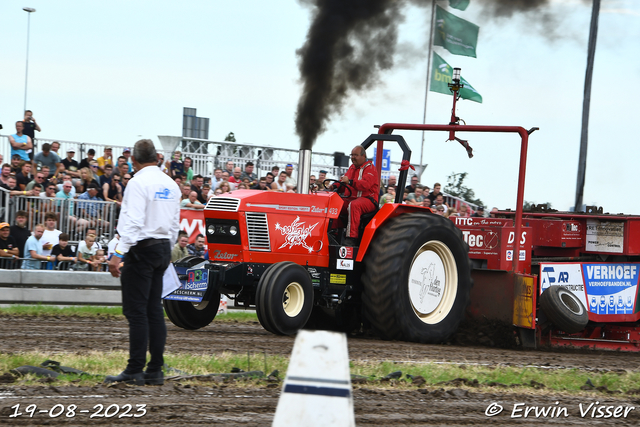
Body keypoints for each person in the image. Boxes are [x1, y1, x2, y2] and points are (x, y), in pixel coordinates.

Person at [105, 138, 180, 386]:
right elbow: (174, 225)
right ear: (157, 158)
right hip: (161, 249)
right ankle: (155, 369)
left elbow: (134, 222)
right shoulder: (171, 184)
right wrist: (166, 251)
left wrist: (118, 254)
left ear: (134, 161)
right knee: (154, 311)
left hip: (141, 249)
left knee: (136, 312)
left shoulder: (137, 183)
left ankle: (135, 369)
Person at [332, 145, 379, 245]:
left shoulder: (370, 169)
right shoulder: (352, 168)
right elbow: (344, 183)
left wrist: (350, 182)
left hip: (368, 200)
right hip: (351, 199)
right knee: (335, 204)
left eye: (355, 155)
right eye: (351, 155)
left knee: (354, 205)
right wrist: (333, 186)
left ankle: (351, 238)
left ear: (363, 156)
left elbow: (365, 185)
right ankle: (333, 232)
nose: (353, 157)